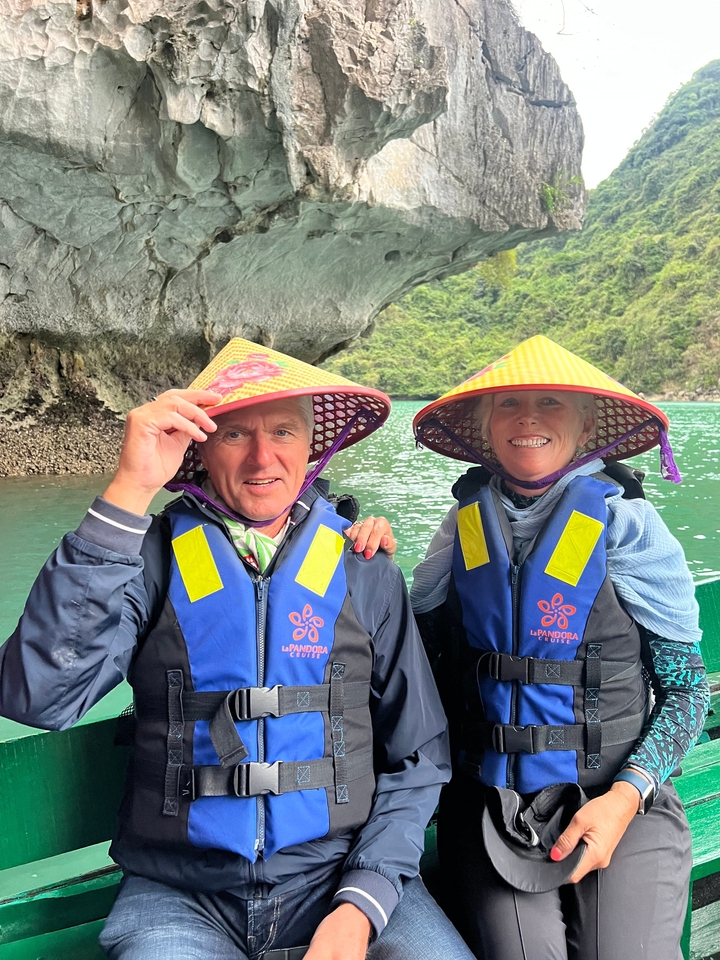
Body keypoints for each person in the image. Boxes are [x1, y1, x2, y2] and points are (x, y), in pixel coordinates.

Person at [0, 338, 474, 960]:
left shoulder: (364, 568)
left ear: (312, 445)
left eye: (283, 431)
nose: (262, 458)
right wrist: (129, 489)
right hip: (178, 894)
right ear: (198, 446)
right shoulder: (148, 560)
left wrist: (364, 901)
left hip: (339, 876)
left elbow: (418, 755)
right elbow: (39, 694)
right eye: (233, 435)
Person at [409, 335, 709, 960]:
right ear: (486, 427)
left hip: (624, 794)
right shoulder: (459, 530)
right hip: (494, 805)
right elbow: (414, 654)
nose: (528, 418)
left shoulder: (628, 527)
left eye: (551, 401)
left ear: (586, 424)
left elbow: (685, 691)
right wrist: (363, 552)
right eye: (509, 404)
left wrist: (626, 797)